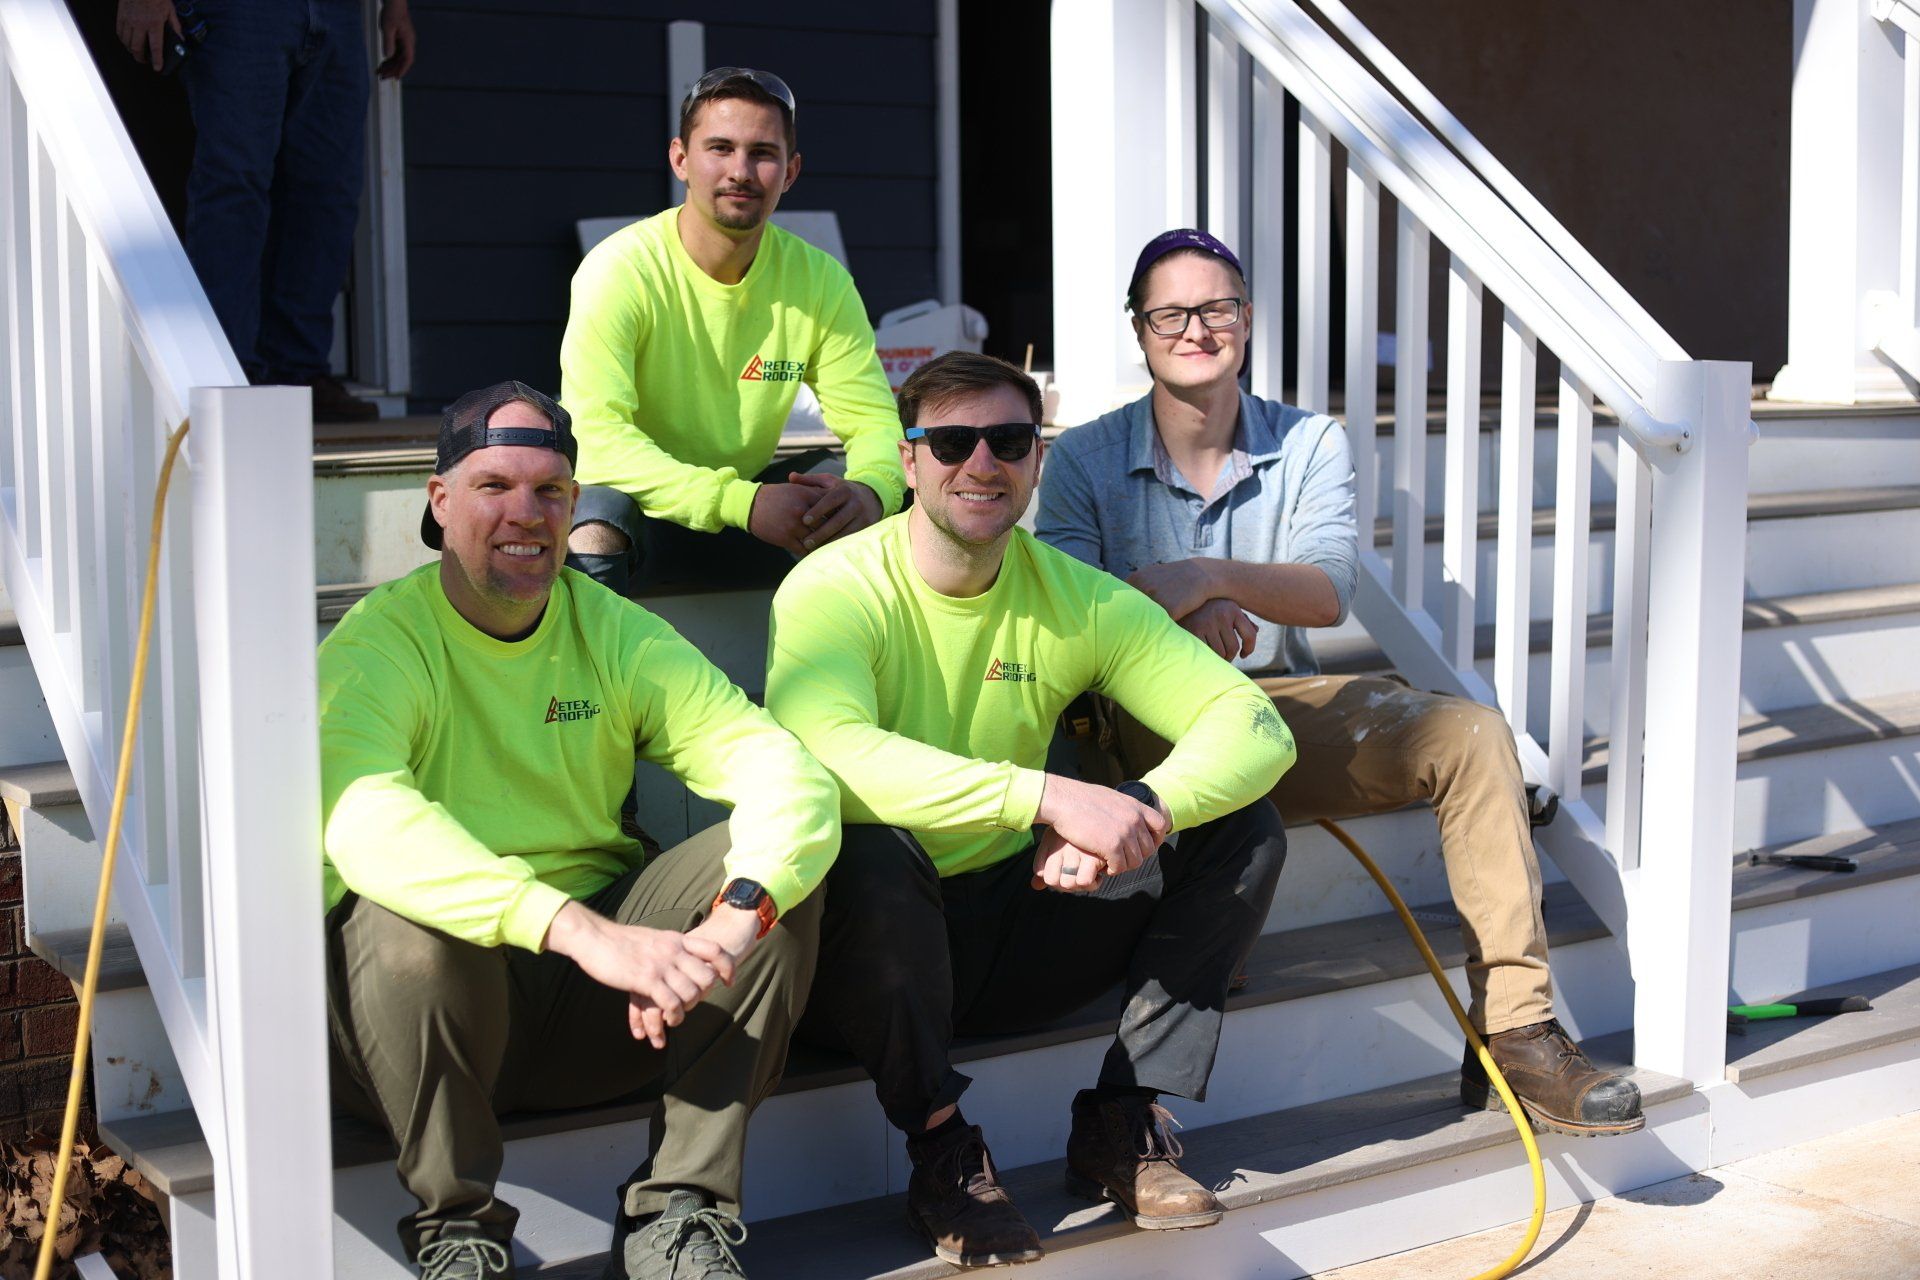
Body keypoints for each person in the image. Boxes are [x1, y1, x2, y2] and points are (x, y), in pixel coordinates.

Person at [1034, 228, 1644, 1140]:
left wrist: (1206, 576)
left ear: (1246, 320)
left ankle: (1515, 1035)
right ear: (1140, 328)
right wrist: (1181, 619)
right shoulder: (1083, 456)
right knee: (1211, 778)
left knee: (1472, 734)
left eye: (1218, 308)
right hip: (1154, 724)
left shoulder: (1310, 439)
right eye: (1172, 312)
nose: (1196, 328)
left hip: (1280, 713)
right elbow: (1067, 614)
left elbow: (1327, 588)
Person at [765, 353, 1294, 1268]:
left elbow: (1253, 725)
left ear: (1036, 459)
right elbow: (829, 757)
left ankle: (1122, 1123)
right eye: (954, 441)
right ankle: (942, 1154)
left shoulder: (1072, 595)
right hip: (862, 961)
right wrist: (1047, 797)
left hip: (1012, 920)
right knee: (869, 854)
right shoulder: (833, 587)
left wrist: (1143, 808)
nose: (982, 463)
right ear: (909, 457)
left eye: (1008, 441)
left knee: (1242, 832)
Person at [319, 380, 837, 1280]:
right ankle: (458, 1230)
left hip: (602, 1013)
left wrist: (727, 924)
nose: (527, 514)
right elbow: (366, 821)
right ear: (439, 503)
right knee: (402, 922)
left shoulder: (613, 630)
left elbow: (782, 770)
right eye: (494, 486)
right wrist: (580, 932)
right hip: (418, 1030)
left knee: (770, 886)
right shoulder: (379, 643)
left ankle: (681, 1213)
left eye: (551, 491)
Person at [561, 66, 906, 597]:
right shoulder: (620, 269)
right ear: (680, 158)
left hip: (757, 517)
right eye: (720, 148)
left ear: (790, 171)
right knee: (596, 515)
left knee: (888, 496)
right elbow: (597, 441)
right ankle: (592, 675)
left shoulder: (820, 279)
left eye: (762, 153)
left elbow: (873, 424)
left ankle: (854, 677)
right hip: (652, 520)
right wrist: (739, 502)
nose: (740, 171)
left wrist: (869, 491)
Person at [115, 0, 415, 422]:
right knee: (234, 186)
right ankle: (224, 377)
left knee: (327, 191)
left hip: (341, 11)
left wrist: (395, 6)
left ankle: (299, 374)